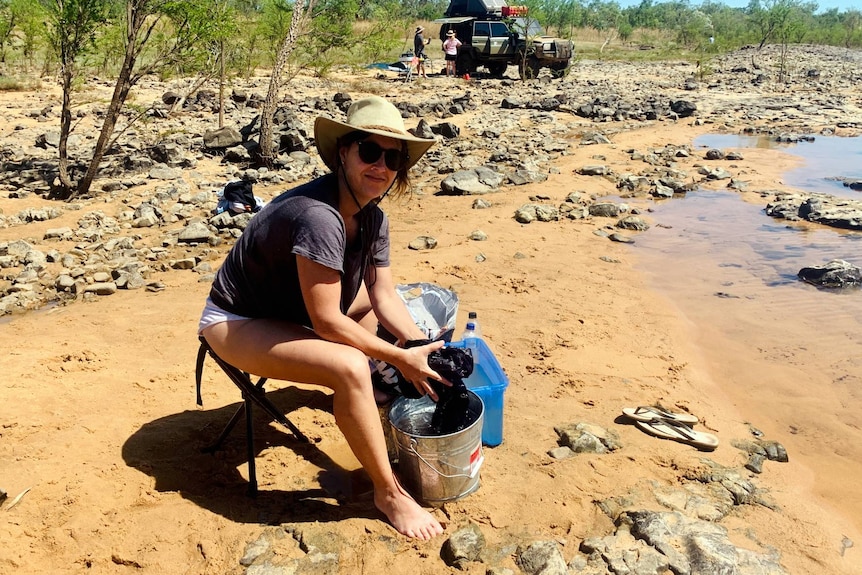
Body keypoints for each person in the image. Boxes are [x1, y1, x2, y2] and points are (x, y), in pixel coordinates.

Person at [198, 96, 447, 540]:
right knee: (349, 365)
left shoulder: (373, 219)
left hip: (291, 313)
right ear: (343, 153)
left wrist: (417, 348)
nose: (381, 166)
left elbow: (383, 294)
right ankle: (387, 493)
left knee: (401, 320)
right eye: (370, 152)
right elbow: (328, 322)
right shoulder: (318, 216)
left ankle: (374, 399)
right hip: (236, 321)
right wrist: (396, 356)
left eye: (393, 158)